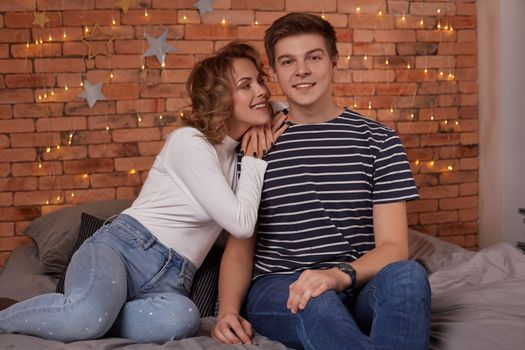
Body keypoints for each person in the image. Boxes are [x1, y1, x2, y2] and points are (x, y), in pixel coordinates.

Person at [0, 41, 288, 343]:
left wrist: (262, 123)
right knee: (87, 316)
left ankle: (89, 314)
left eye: (260, 80)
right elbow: (241, 225)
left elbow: (291, 105)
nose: (262, 91)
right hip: (124, 249)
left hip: (173, 280)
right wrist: (257, 159)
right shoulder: (189, 142)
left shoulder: (237, 153)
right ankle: (18, 317)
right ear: (221, 99)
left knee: (183, 318)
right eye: (246, 85)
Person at [211, 13, 432, 350]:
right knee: (316, 300)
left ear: (333, 63)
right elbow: (242, 245)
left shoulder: (380, 140)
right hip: (277, 288)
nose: (302, 70)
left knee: (410, 274)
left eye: (313, 57)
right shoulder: (256, 145)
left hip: (356, 283)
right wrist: (226, 312)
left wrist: (335, 275)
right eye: (288, 61)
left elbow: (394, 247)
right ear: (273, 72)